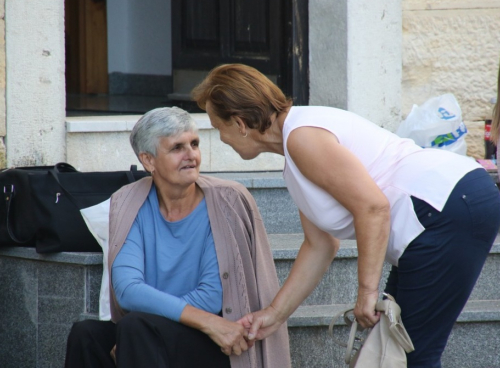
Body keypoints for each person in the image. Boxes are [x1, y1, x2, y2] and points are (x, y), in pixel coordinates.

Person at [191, 64, 500, 368]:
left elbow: (372, 208)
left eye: (219, 128)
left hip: (447, 205)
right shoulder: (295, 149)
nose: (222, 139)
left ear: (240, 122)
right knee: (393, 349)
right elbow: (320, 246)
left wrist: (367, 292)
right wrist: (274, 314)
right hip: (444, 208)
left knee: (411, 354)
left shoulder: (303, 137)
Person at [64, 107, 291, 368]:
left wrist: (157, 323)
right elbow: (127, 290)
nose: (191, 155)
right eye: (177, 148)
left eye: (194, 144)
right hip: (188, 327)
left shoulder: (226, 201)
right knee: (87, 334)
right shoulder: (128, 202)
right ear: (148, 161)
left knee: (135, 327)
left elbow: (211, 297)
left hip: (217, 342)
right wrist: (160, 326)